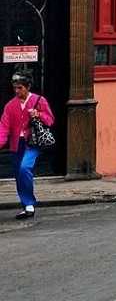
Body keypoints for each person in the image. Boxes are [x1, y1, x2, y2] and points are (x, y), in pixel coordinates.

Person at [1, 72, 54, 220]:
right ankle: (26, 205)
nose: (17, 91)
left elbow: (50, 120)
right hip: (16, 144)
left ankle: (29, 204)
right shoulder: (10, 106)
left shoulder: (39, 100)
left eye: (20, 88)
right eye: (15, 88)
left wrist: (39, 115)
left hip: (33, 142)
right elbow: (4, 126)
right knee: (19, 174)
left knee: (25, 168)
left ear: (28, 87)